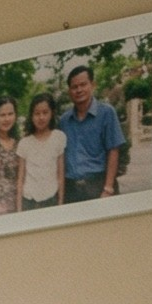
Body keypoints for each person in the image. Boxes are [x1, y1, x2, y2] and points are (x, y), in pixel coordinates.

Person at [59, 63, 123, 201]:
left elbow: (113, 150)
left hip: (98, 185)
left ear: (93, 85)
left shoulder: (106, 113)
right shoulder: (64, 120)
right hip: (71, 190)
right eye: (74, 87)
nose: (79, 90)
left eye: (83, 84)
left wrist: (108, 187)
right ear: (69, 91)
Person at [15, 91, 66, 209]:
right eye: (37, 113)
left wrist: (60, 203)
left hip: (50, 200)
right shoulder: (24, 143)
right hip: (29, 201)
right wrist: (18, 209)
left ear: (52, 113)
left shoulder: (59, 137)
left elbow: (60, 175)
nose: (41, 117)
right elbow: (20, 179)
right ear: (31, 116)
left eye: (45, 112)